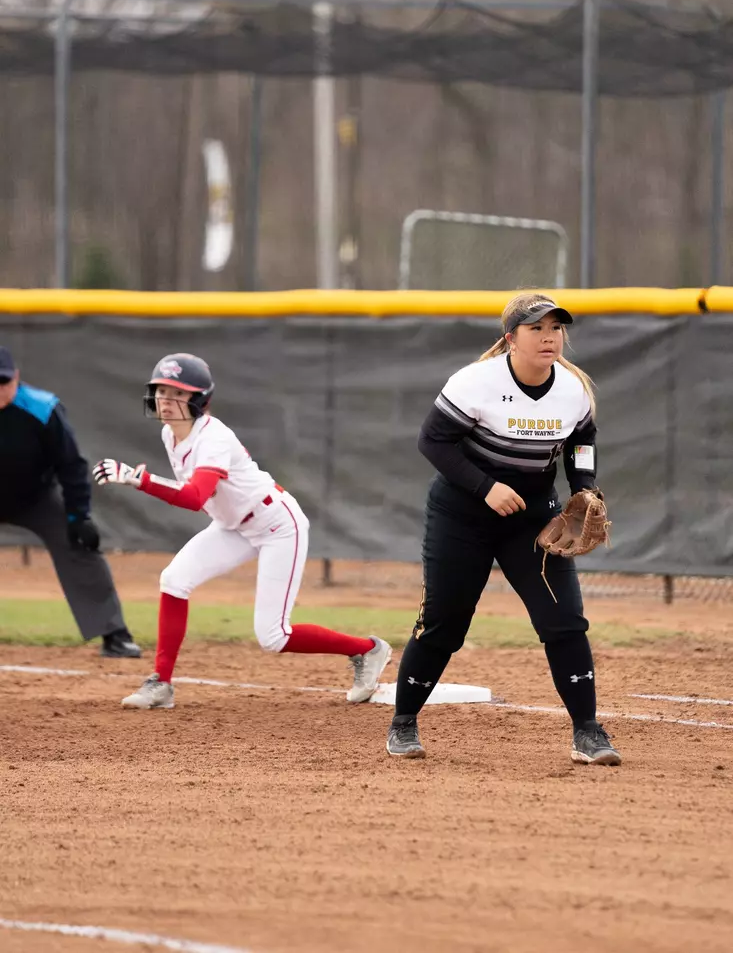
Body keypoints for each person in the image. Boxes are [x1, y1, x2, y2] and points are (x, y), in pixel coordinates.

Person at [385, 293, 621, 766]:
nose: (549, 336)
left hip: (533, 520)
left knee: (564, 621)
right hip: (462, 515)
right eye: (536, 328)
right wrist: (484, 486)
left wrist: (585, 487)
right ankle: (403, 723)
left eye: (556, 328)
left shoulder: (572, 389)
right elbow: (433, 440)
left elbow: (582, 442)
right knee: (444, 623)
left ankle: (588, 732)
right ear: (511, 338)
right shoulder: (476, 382)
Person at [93, 352, 392, 709]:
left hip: (277, 525)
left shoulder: (214, 437)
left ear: (199, 399)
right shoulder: (169, 434)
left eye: (178, 393)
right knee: (173, 579)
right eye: (161, 391)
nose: (166, 401)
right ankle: (161, 684)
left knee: (273, 636)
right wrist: (144, 480)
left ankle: (367, 650)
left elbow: (193, 498)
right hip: (232, 526)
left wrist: (140, 479)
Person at [0, 345, 141, 658]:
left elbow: (71, 464)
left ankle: (114, 634)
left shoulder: (42, 409)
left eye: (3, 382)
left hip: (34, 497)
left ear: (17, 378)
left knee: (79, 545)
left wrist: (80, 516)